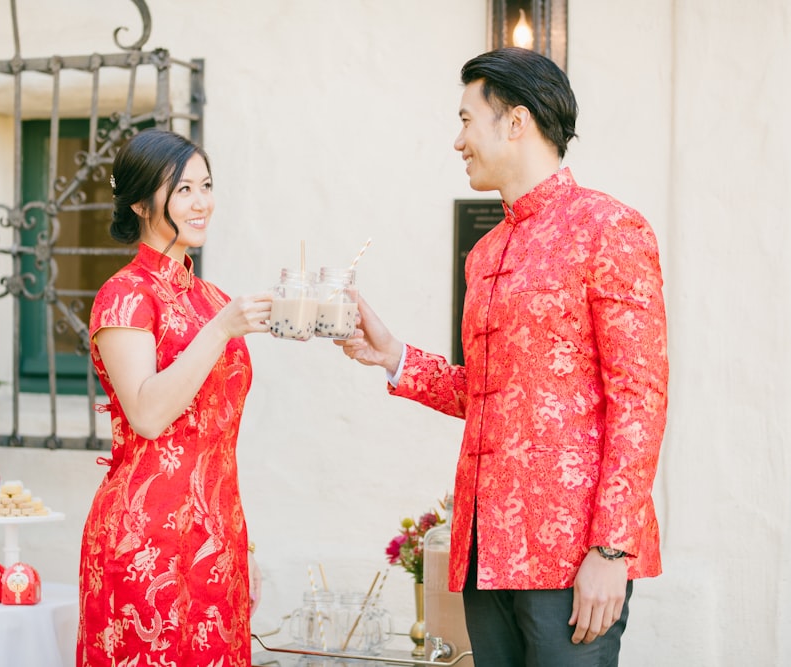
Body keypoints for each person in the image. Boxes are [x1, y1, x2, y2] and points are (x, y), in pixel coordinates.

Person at [337, 47, 668, 666]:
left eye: (466, 119)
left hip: (571, 555)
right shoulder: (486, 253)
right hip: (483, 551)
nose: (458, 140)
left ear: (515, 122)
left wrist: (612, 550)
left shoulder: (610, 228)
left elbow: (640, 398)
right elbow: (492, 396)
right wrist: (394, 357)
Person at [78, 128, 272, 667]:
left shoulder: (211, 297)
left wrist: (241, 545)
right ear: (141, 202)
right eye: (182, 189)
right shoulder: (124, 296)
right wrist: (220, 330)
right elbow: (146, 413)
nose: (201, 201)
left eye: (205, 185)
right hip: (142, 544)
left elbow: (214, 435)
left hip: (216, 535)